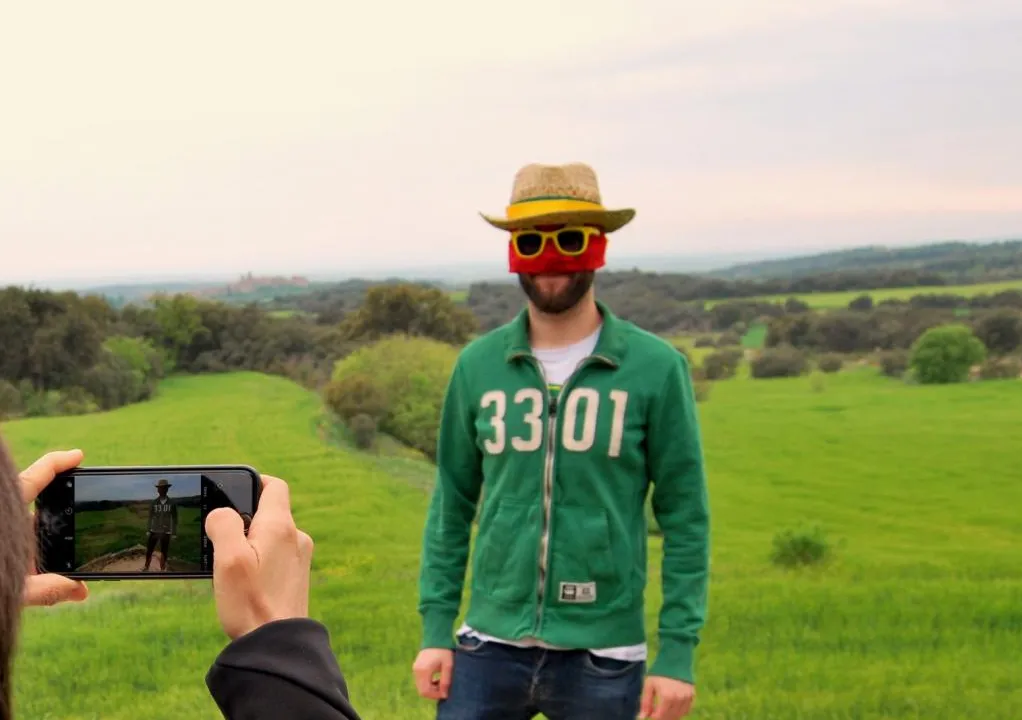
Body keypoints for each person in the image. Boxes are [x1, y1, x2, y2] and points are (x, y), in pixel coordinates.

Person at [413, 162, 711, 720]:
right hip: (486, 648)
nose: (550, 259)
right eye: (532, 241)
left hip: (605, 656)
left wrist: (677, 653)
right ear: (513, 251)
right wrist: (436, 628)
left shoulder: (656, 368)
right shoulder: (478, 366)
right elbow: (451, 502)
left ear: (598, 247)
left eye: (569, 240)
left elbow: (686, 517)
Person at [0, 439, 362, 719]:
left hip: (164, 533)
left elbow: (168, 518)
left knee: (157, 551)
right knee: (150, 553)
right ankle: (149, 562)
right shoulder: (158, 504)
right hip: (156, 534)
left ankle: (154, 560)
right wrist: (278, 642)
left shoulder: (168, 503)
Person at [143, 478, 178, 572]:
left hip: (166, 531)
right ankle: (146, 567)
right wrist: (148, 529)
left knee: (164, 551)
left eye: (164, 488)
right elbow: (150, 517)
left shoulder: (172, 503)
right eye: (160, 488)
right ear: (158, 490)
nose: (162, 490)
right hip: (154, 530)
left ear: (167, 489)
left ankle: (162, 569)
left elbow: (174, 518)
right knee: (149, 550)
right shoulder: (154, 503)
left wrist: (174, 533)